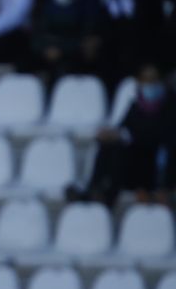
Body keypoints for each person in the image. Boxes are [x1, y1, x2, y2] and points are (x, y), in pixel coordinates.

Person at [68, 62, 175, 206]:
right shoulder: (136, 105)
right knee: (108, 146)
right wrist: (110, 134)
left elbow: (162, 138)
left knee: (120, 152)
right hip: (133, 161)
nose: (149, 84)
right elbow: (123, 128)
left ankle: (106, 196)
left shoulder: (170, 107)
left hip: (152, 164)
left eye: (153, 79)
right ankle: (94, 189)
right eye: (145, 80)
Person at [29, 0, 105, 82]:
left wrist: (62, 50)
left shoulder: (90, 0)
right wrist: (46, 48)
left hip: (75, 56)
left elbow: (89, 34)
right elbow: (38, 31)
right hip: (47, 54)